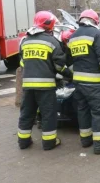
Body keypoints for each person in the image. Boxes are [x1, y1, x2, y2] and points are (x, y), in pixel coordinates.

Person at [17, 11, 73, 150]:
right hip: (46, 87)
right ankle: (49, 143)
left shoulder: (25, 41)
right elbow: (59, 66)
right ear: (49, 24)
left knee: (27, 114)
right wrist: (69, 74)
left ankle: (23, 142)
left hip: (28, 86)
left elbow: (23, 63)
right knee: (48, 114)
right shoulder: (52, 41)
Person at [68, 9, 100, 155]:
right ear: (95, 21)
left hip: (78, 82)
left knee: (83, 110)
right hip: (94, 83)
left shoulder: (73, 36)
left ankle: (86, 140)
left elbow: (69, 61)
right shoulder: (97, 34)